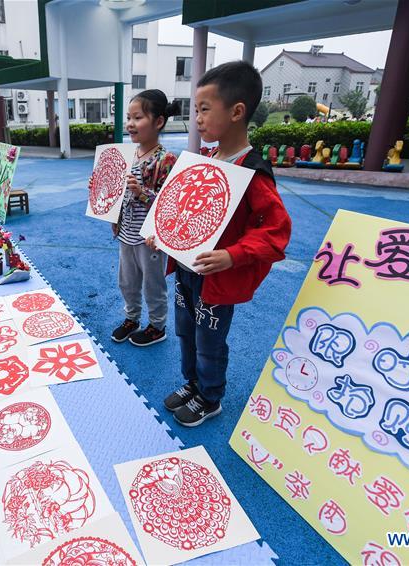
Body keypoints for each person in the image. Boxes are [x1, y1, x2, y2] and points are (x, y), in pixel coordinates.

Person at [148, 61, 292, 427]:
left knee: (210, 340)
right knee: (185, 331)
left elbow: (276, 232)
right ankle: (193, 383)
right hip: (186, 270)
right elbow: (183, 210)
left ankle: (210, 397)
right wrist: (162, 233)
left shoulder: (251, 172)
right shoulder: (208, 160)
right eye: (196, 110)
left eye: (204, 109)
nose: (197, 118)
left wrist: (232, 255)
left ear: (237, 112)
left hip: (216, 280)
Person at [107, 89, 179, 347]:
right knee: (127, 281)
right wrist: (103, 196)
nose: (130, 124)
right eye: (129, 118)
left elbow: (170, 204)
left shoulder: (166, 160)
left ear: (158, 122)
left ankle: (157, 326)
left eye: (137, 118)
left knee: (153, 284)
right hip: (127, 234)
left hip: (150, 239)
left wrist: (142, 192)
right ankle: (132, 318)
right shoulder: (128, 156)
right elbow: (119, 195)